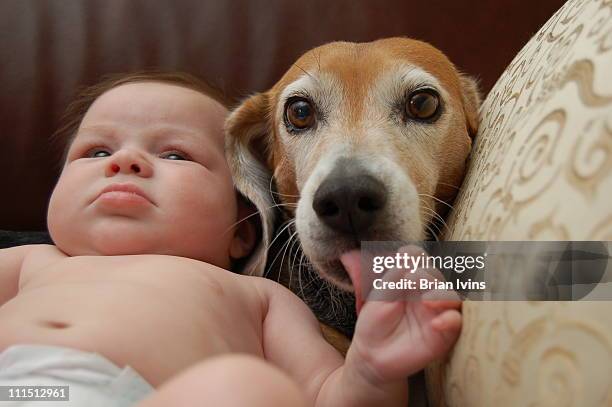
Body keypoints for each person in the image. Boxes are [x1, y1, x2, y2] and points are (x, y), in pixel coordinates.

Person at [0, 72, 462, 407]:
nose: (125, 160)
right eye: (96, 151)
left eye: (176, 154)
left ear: (244, 222)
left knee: (247, 388)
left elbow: (530, 271)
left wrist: (372, 368)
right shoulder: (33, 259)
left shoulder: (260, 296)